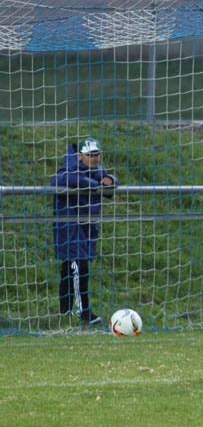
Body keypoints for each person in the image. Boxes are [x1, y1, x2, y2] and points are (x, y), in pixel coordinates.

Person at [51, 137, 119, 325]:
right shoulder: (68, 170)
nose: (94, 158)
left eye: (96, 154)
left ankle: (64, 313)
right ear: (80, 156)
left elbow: (112, 183)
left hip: (87, 229)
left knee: (68, 271)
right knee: (79, 269)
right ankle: (85, 313)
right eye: (90, 155)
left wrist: (110, 179)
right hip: (70, 231)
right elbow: (58, 180)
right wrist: (93, 185)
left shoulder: (98, 171)